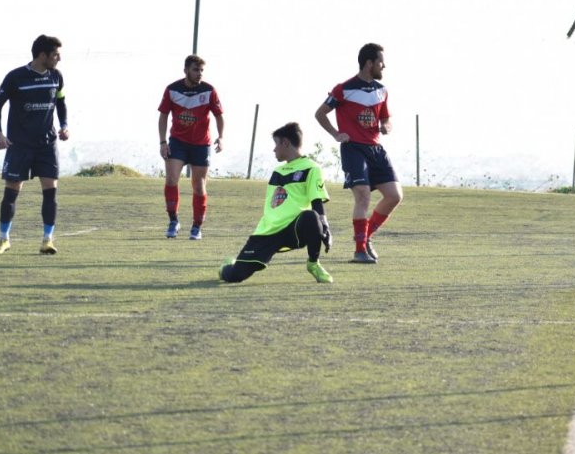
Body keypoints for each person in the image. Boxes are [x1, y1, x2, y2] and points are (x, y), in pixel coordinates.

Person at [314, 42, 403, 264]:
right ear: (369, 63)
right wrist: (336, 134)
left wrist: (387, 127)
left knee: (394, 196)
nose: (384, 66)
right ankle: (359, 250)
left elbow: (385, 118)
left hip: (376, 149)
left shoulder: (382, 90)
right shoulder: (343, 89)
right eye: (381, 62)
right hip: (353, 149)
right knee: (363, 194)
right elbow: (320, 113)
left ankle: (366, 236)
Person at [219, 122, 333, 284]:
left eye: (276, 144)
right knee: (234, 277)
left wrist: (325, 226)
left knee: (311, 216)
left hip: (293, 228)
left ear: (285, 143)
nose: (274, 149)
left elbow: (316, 201)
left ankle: (313, 263)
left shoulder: (312, 168)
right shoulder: (277, 171)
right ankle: (227, 267)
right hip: (268, 231)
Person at [0, 35, 69, 254]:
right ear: (42, 55)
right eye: (55, 55)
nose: (59, 59)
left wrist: (64, 125)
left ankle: (47, 240)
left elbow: (61, 102)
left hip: (47, 144)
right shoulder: (16, 77)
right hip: (20, 145)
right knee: (11, 192)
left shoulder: (56, 76)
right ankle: (4, 238)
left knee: (50, 193)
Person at [157, 55, 224, 240]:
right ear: (186, 70)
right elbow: (163, 116)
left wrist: (221, 137)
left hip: (201, 144)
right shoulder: (172, 89)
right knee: (171, 179)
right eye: (196, 70)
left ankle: (196, 227)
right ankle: (173, 221)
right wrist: (163, 142)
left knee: (199, 186)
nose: (199, 74)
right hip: (177, 142)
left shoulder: (209, 91)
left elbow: (219, 116)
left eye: (202, 70)